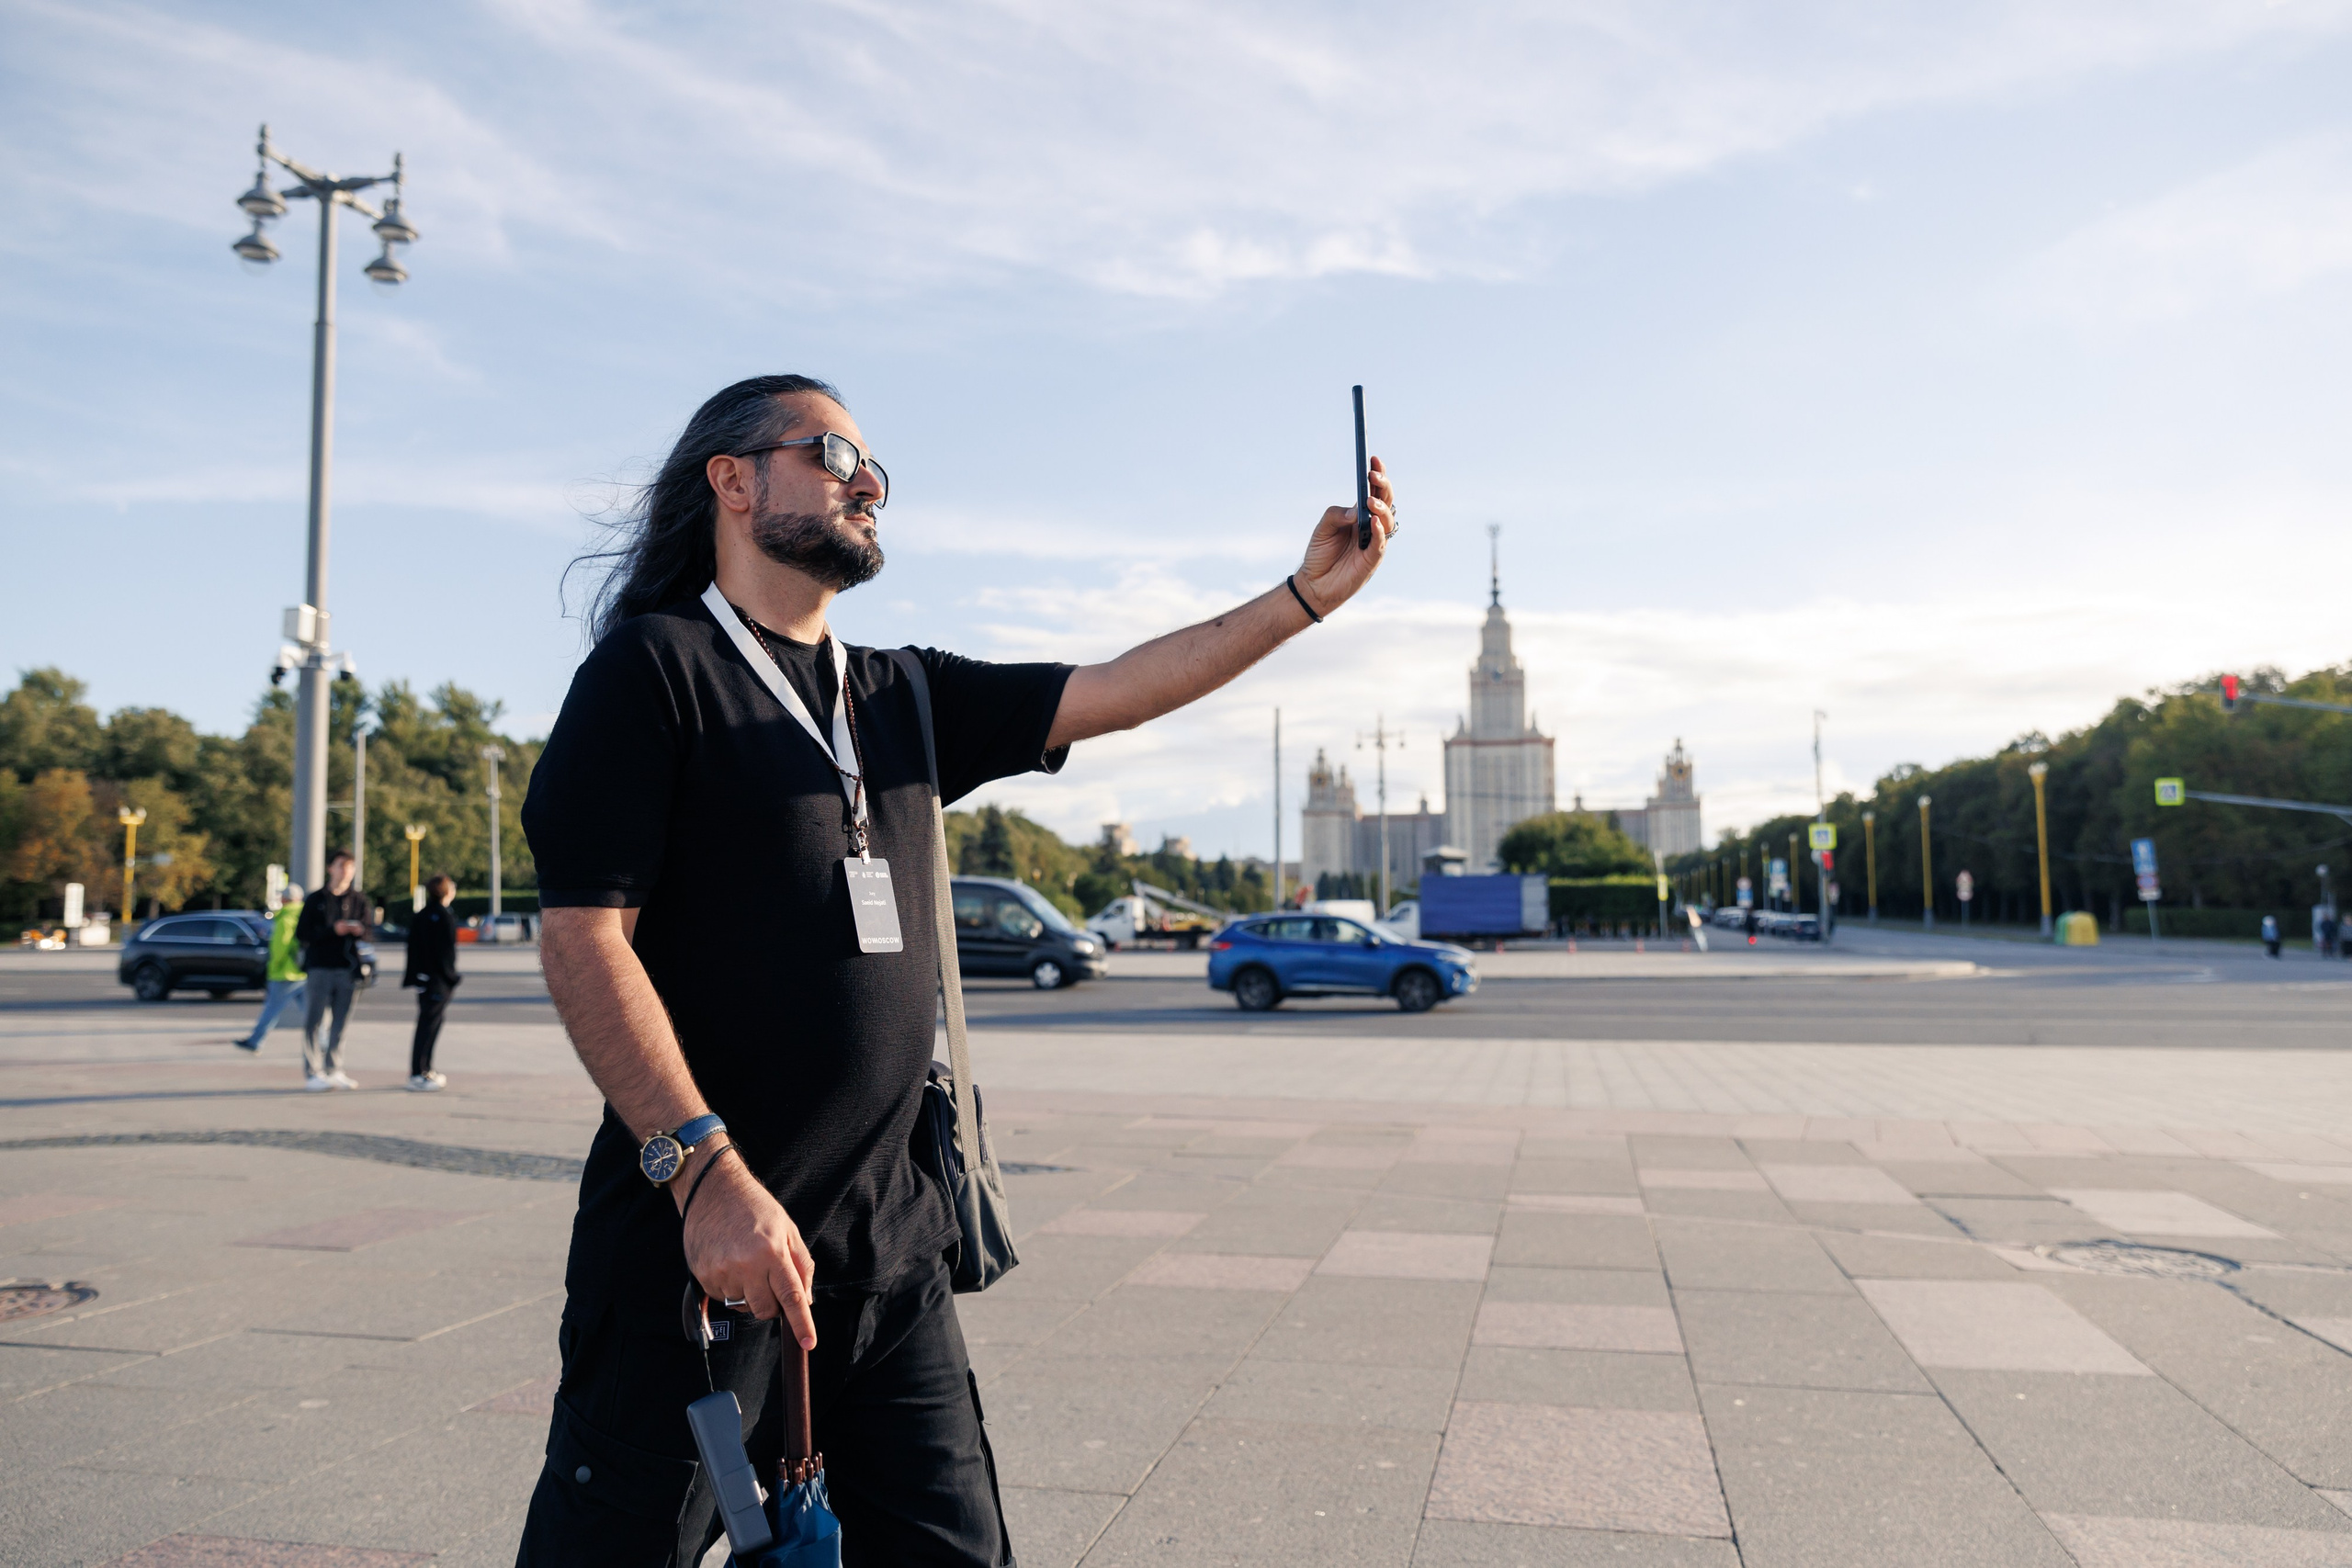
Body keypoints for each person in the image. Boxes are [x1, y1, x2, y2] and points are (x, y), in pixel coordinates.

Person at [514, 374, 1395, 1567]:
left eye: (875, 467)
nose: (869, 483)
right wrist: (703, 1173)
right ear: (734, 481)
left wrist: (1303, 598)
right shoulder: (655, 670)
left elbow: (1120, 687)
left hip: (892, 1261)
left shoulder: (901, 694)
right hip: (705, 1262)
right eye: (833, 455)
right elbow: (583, 938)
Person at [293, 850, 371, 1091]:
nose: (346, 871)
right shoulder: (316, 899)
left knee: (341, 1022)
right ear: (330, 868)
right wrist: (332, 930)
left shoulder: (358, 899)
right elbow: (302, 934)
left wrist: (359, 930)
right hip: (320, 967)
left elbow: (370, 931)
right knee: (314, 1021)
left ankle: (334, 1069)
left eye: (350, 866)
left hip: (348, 968)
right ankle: (313, 1072)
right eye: (341, 865)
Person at [403, 874, 460, 1090]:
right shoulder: (443, 916)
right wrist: (451, 977)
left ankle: (425, 1069)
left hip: (424, 979)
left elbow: (412, 948)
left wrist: (414, 976)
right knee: (428, 1026)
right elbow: (446, 953)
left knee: (429, 1024)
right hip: (437, 981)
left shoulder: (422, 915)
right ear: (446, 891)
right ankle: (418, 1073)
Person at [237, 887, 307, 1052]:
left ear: (285, 899)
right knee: (310, 1011)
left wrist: (274, 966)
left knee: (271, 1009)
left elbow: (280, 946)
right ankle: (324, 1041)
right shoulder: (305, 915)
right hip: (302, 971)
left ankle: (255, 1041)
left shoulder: (286, 918)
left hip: (285, 972)